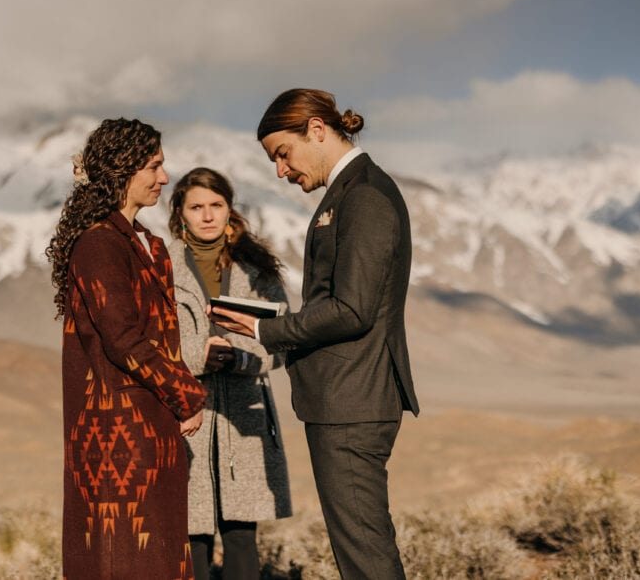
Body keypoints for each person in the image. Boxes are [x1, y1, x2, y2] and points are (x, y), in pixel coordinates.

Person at [212, 89, 420, 579]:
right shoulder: (350, 193)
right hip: (346, 400)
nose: (281, 171)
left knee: (365, 556)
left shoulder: (364, 196)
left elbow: (352, 309)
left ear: (317, 130)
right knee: (361, 551)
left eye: (282, 154)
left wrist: (268, 329)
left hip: (353, 402)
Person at [47, 117, 208, 580]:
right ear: (123, 170)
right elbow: (123, 338)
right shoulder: (98, 244)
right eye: (154, 166)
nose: (164, 177)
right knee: (127, 562)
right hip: (118, 435)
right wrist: (187, 393)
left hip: (150, 431)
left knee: (154, 557)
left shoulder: (144, 243)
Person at [167, 167, 293, 580]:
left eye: (216, 205)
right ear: (180, 214)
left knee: (241, 536)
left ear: (229, 209)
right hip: (186, 415)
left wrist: (239, 359)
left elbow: (284, 340)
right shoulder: (159, 269)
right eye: (196, 207)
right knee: (191, 534)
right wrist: (197, 356)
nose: (207, 216)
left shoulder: (259, 269)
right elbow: (148, 341)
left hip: (245, 417)